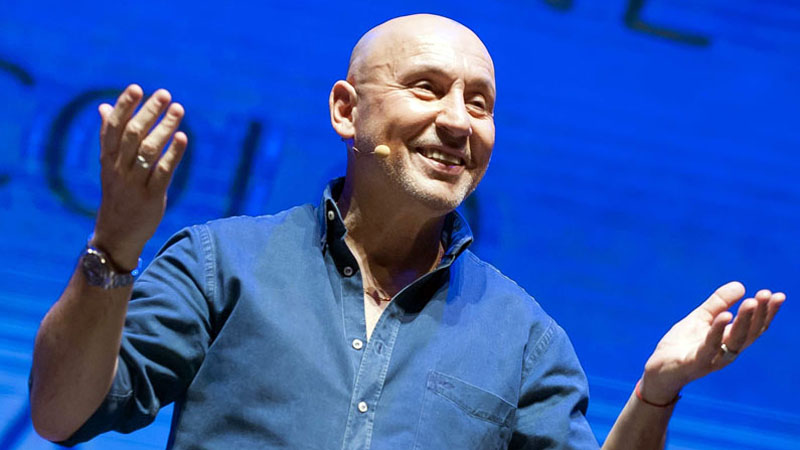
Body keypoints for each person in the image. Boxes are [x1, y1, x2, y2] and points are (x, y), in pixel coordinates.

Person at [30, 14, 785, 449]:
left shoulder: (527, 341)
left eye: (480, 104)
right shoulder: (220, 263)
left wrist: (654, 395)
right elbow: (62, 411)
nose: (458, 122)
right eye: (427, 89)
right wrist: (114, 246)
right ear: (345, 110)